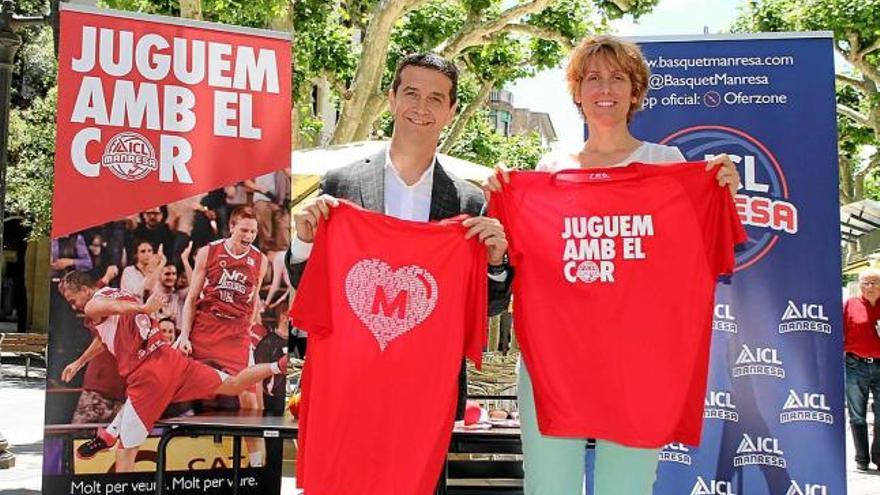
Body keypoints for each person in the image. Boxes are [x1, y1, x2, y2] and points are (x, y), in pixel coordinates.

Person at [484, 34, 740, 495]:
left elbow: (699, 258)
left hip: (639, 361)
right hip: (554, 359)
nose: (606, 88)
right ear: (577, 92)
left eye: (618, 78)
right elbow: (520, 266)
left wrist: (720, 194)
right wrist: (504, 202)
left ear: (635, 91)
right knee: (549, 487)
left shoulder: (668, 165)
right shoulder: (546, 171)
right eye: (593, 78)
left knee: (627, 487)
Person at [289, 52, 513, 422]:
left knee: (421, 483)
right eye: (411, 93)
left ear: (452, 110)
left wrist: (495, 263)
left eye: (436, 98)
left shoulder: (470, 202)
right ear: (392, 99)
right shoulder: (341, 183)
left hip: (429, 393)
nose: (421, 107)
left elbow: (487, 307)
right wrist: (304, 242)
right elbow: (311, 287)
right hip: (349, 383)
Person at [56, 270, 286, 472]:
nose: (73, 305)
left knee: (126, 451)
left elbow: (108, 307)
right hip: (173, 362)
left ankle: (110, 438)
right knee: (235, 385)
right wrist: (79, 362)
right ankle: (278, 366)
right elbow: (104, 337)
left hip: (148, 376)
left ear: (85, 290)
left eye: (71, 299)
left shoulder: (93, 304)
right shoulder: (118, 291)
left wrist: (143, 307)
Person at [175, 205, 269, 467]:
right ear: (232, 228)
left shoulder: (260, 260)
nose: (249, 235)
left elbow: (255, 298)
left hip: (235, 332)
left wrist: (248, 329)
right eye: (244, 230)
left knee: (249, 396)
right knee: (167, 375)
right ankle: (148, 436)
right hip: (205, 326)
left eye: (253, 231)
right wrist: (184, 335)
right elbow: (192, 298)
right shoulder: (209, 251)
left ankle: (257, 463)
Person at [844, 268, 880, 471]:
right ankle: (861, 458)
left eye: (874, 282)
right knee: (857, 414)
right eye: (865, 283)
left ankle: (879, 456)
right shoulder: (850, 304)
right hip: (855, 364)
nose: (870, 287)